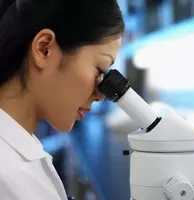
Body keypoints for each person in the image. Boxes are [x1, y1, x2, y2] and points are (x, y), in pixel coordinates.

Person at [0, 0, 125, 199]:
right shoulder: (8, 176)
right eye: (99, 70)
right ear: (44, 49)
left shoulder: (18, 151)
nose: (100, 94)